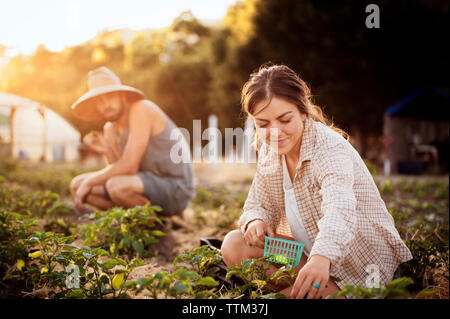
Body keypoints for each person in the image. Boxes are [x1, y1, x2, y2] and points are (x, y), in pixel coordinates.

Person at [220, 64, 412, 299]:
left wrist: (322, 258)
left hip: (357, 268)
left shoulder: (328, 148)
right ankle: (307, 289)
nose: (275, 132)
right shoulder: (272, 152)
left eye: (284, 119)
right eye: (263, 124)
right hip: (305, 257)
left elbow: (340, 209)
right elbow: (257, 203)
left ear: (302, 111)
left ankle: (319, 291)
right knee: (234, 244)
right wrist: (255, 221)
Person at [70, 66, 195, 216]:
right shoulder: (110, 129)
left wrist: (90, 181)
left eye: (109, 97)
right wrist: (107, 151)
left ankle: (157, 228)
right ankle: (137, 221)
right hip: (142, 187)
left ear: (121, 95)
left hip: (175, 188)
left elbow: (129, 167)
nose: (105, 105)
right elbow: (120, 171)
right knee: (77, 186)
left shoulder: (141, 109)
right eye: (99, 101)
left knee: (115, 186)